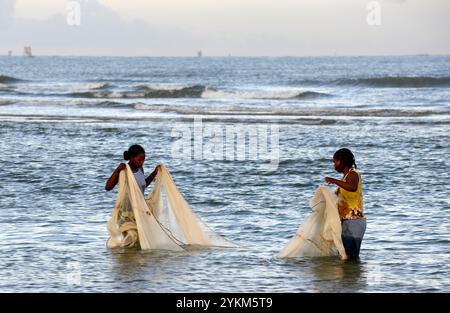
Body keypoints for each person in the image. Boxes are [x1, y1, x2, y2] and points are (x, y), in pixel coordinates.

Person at [325, 148, 366, 259]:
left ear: (342, 161)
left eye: (335, 161)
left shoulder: (353, 174)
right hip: (348, 221)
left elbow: (352, 187)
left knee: (350, 257)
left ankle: (352, 275)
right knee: (347, 256)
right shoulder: (346, 177)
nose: (334, 165)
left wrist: (334, 181)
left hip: (353, 221)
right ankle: (351, 276)